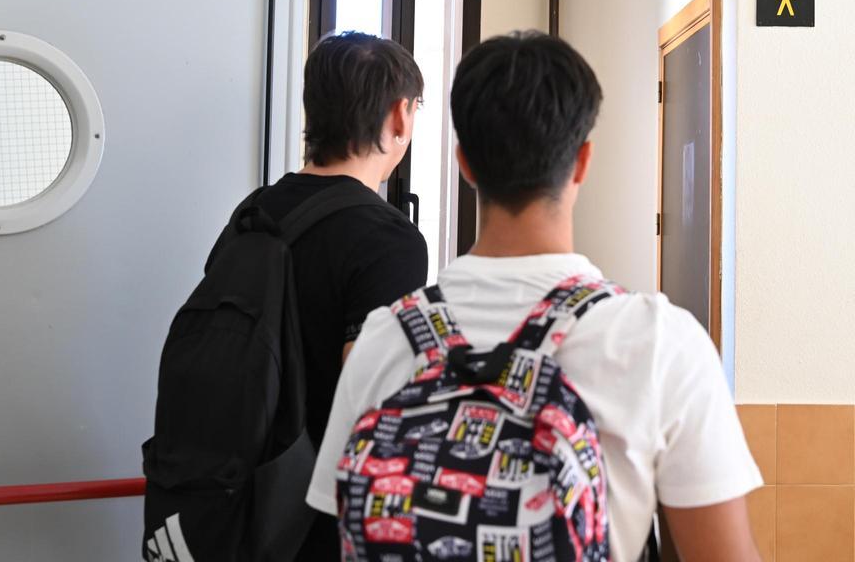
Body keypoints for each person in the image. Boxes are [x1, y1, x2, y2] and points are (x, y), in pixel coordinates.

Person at [307, 31, 762, 561]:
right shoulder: (658, 343)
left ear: (465, 163)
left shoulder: (386, 337)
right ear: (582, 162)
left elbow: (341, 535)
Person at [259, 31, 429, 559]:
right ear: (400, 116)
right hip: (319, 521)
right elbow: (376, 410)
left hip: (241, 496)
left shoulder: (253, 214)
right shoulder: (387, 238)